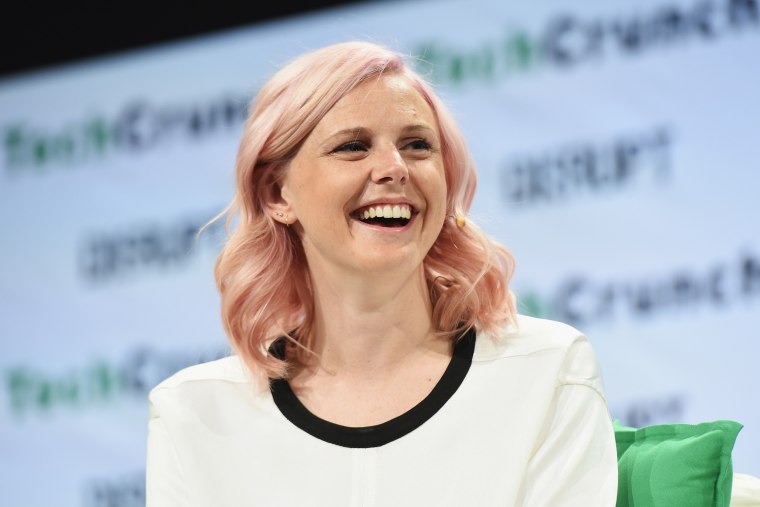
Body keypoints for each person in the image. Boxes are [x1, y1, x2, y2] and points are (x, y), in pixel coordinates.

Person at [146, 40, 617, 506]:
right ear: (276, 194)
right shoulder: (193, 414)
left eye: (417, 145)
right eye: (352, 146)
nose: (394, 169)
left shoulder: (548, 369)